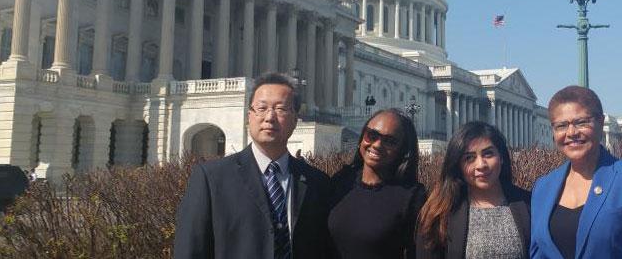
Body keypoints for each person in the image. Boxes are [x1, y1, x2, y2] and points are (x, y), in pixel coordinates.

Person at [174, 72, 331, 259]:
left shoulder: (316, 182)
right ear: (249, 116)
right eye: (261, 108)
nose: (269, 117)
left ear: (295, 120)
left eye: (280, 109)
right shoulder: (212, 178)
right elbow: (191, 249)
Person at [529, 86, 622, 259]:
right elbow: (538, 252)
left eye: (581, 122)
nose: (571, 133)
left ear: (600, 122)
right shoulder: (543, 187)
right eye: (561, 125)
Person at [416, 121, 531, 259]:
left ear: (501, 157)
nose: (481, 165)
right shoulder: (440, 213)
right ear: (458, 165)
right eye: (469, 158)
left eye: (488, 154)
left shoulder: (528, 204)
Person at [328, 108, 426, 259]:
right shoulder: (341, 181)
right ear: (362, 137)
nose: (377, 145)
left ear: (403, 150)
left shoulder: (411, 196)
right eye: (372, 135)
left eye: (390, 141)